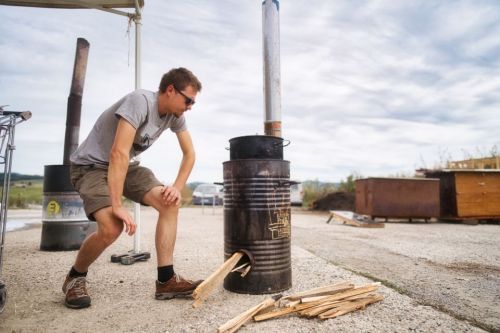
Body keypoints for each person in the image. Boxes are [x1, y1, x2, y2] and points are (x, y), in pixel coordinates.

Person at [63, 67, 203, 309]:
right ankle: (75, 277)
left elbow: (190, 154)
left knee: (170, 203)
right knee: (111, 227)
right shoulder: (140, 102)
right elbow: (117, 152)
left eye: (193, 102)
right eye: (188, 100)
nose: (190, 106)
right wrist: (117, 206)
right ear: (170, 90)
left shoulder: (176, 115)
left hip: (125, 166)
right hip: (91, 167)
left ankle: (166, 280)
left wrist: (177, 187)